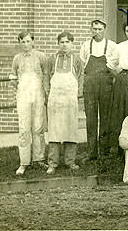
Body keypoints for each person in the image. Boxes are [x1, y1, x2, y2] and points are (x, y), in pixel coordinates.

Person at [10, 30, 50, 175]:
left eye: (28, 41)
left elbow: (46, 75)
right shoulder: (17, 59)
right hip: (23, 96)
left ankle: (39, 159)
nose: (26, 44)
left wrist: (45, 93)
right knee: (24, 129)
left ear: (32, 41)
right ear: (19, 43)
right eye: (23, 42)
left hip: (38, 95)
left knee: (38, 128)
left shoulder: (41, 56)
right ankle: (24, 162)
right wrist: (18, 93)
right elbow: (13, 78)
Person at [79, 19, 118, 162]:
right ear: (91, 29)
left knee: (105, 117)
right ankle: (91, 152)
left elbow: (114, 67)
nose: (97, 32)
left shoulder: (112, 46)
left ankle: (105, 151)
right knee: (91, 118)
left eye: (100, 29)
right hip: (90, 86)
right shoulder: (85, 46)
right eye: (94, 29)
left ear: (104, 29)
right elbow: (83, 66)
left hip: (106, 86)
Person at [46, 31, 84, 175]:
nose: (64, 45)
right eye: (62, 42)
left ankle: (70, 161)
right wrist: (47, 92)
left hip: (70, 99)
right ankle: (53, 163)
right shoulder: (52, 60)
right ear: (58, 44)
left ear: (72, 43)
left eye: (67, 42)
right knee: (54, 130)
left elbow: (81, 77)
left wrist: (79, 93)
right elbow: (46, 76)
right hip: (55, 99)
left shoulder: (77, 60)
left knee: (70, 129)